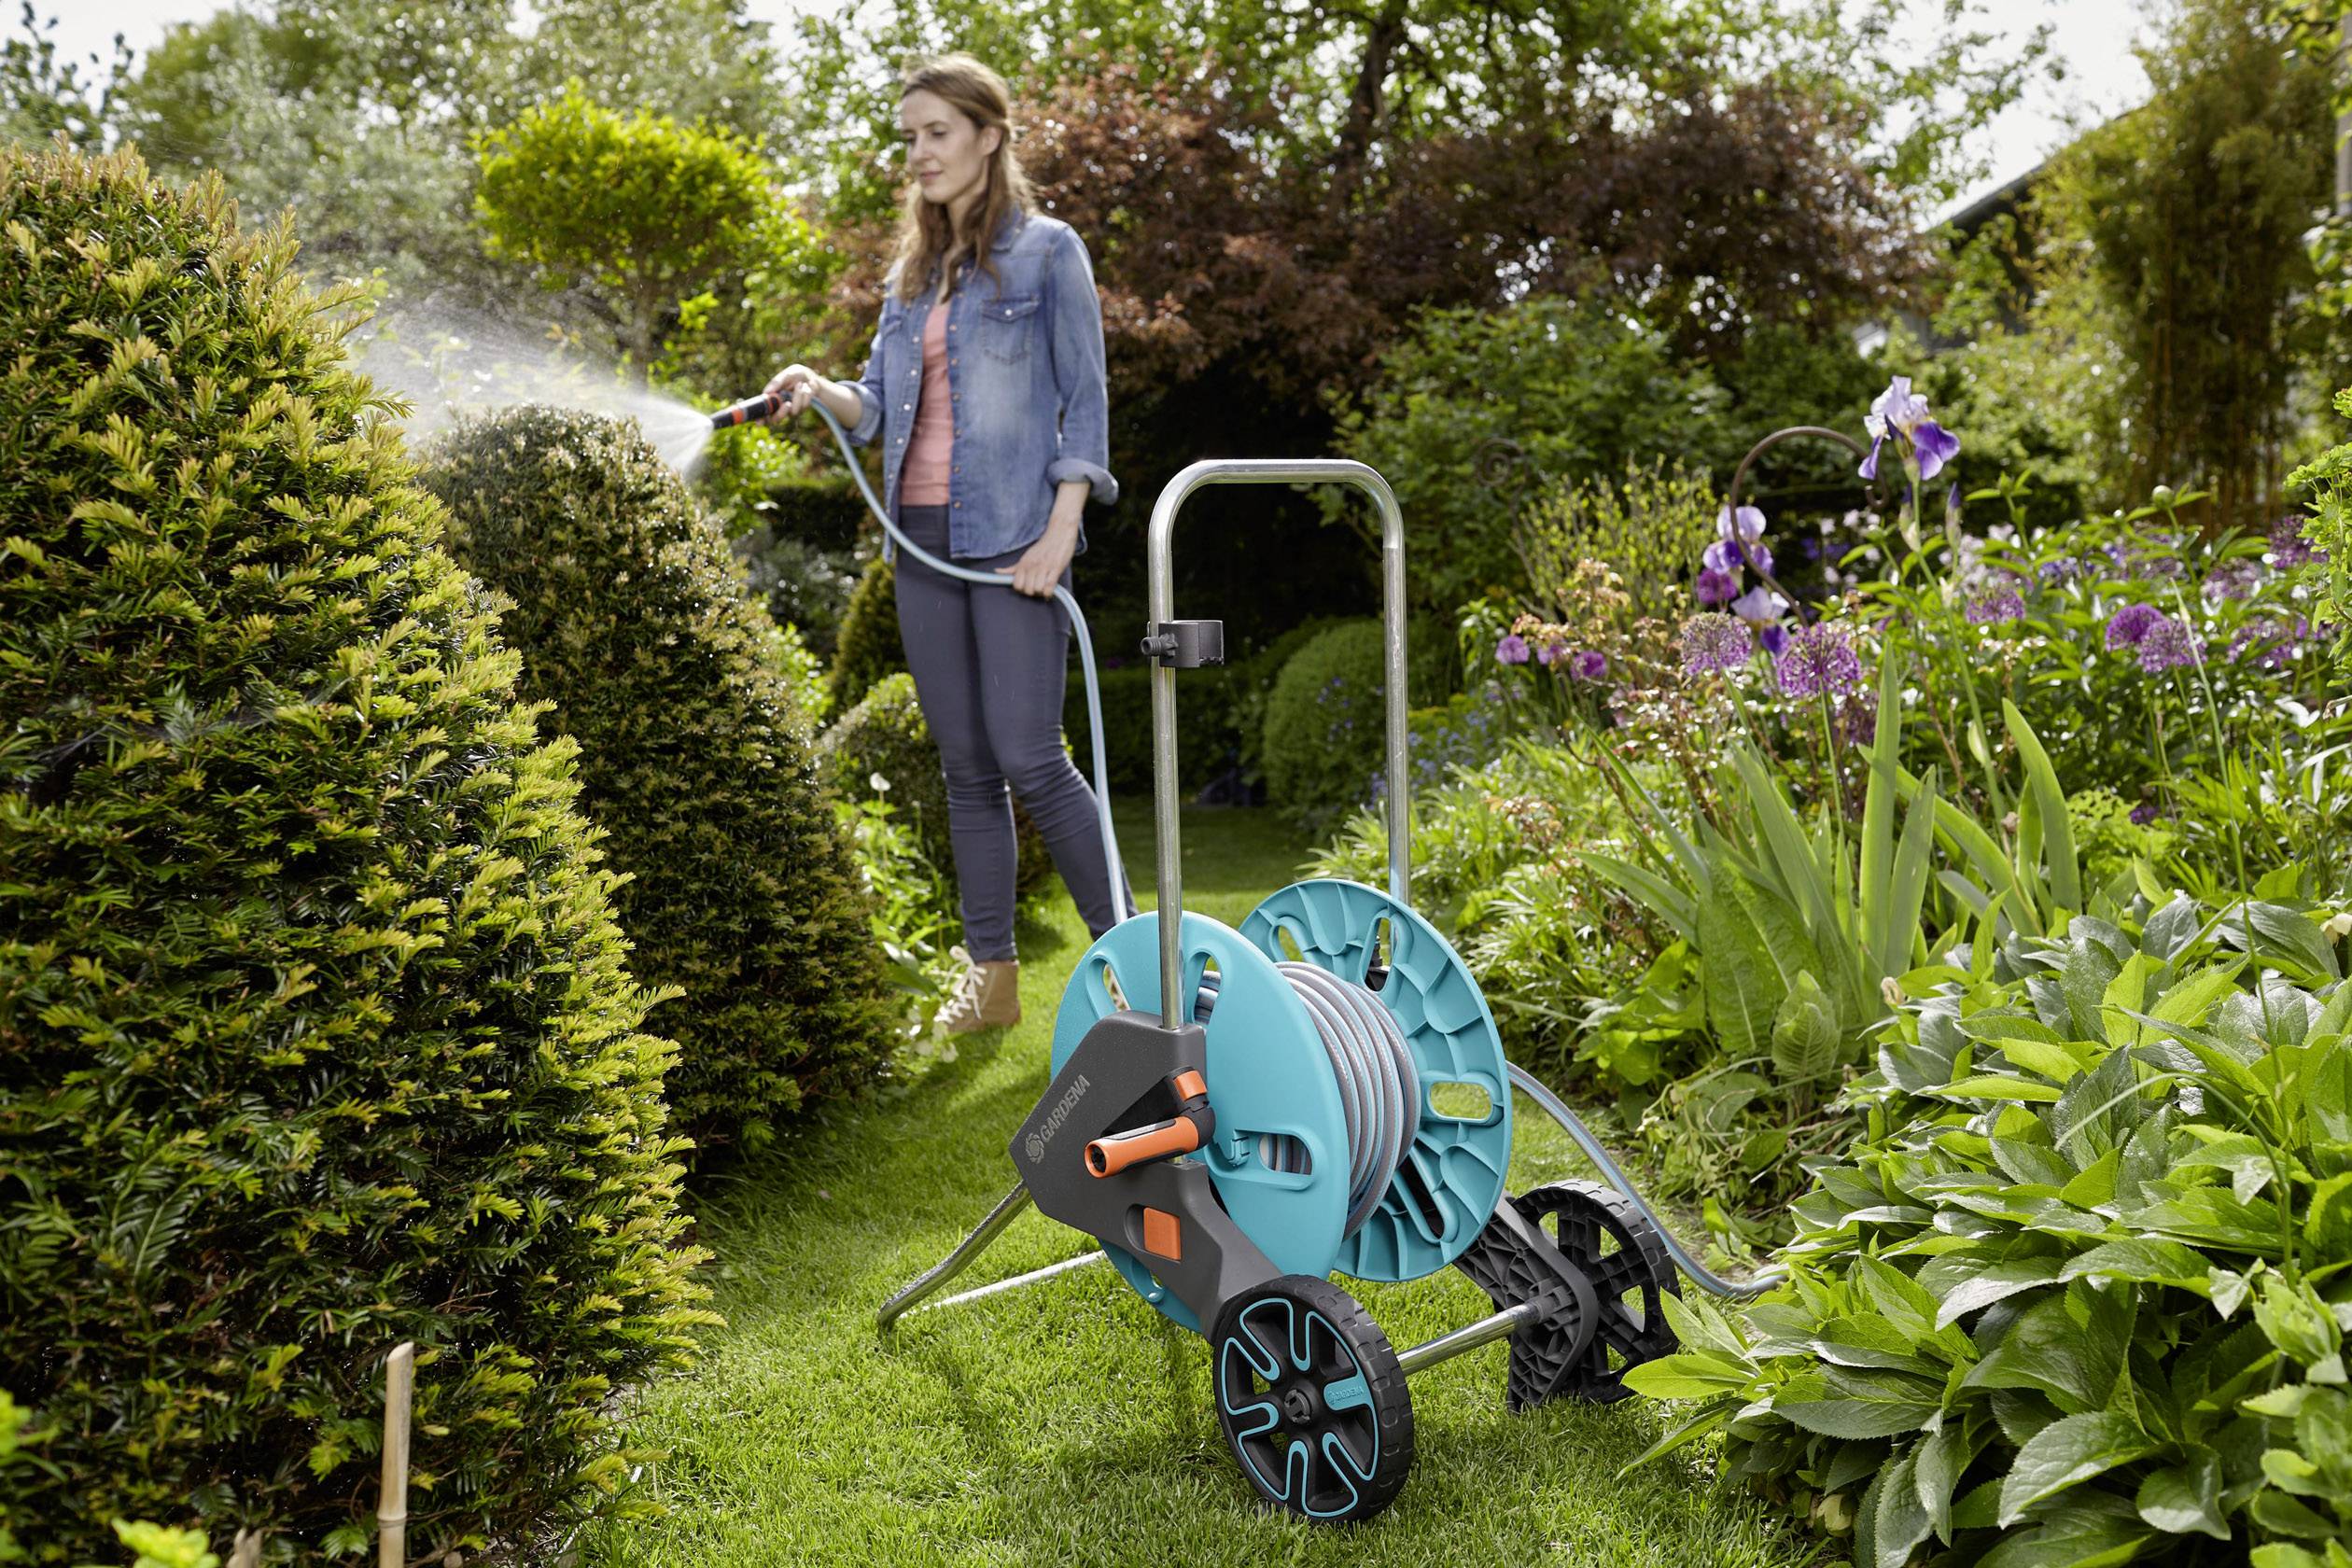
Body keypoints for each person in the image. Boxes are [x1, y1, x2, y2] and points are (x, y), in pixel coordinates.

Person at [764, 51, 1131, 1036]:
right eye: (910, 137)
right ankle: (993, 981)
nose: (919, 154)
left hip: (1013, 537)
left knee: (1030, 755)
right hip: (919, 543)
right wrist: (818, 387)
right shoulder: (912, 273)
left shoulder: (1049, 252)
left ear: (989, 135)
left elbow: (1087, 408)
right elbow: (878, 412)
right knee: (965, 765)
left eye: (936, 132)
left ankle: (1131, 965)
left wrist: (1062, 531)